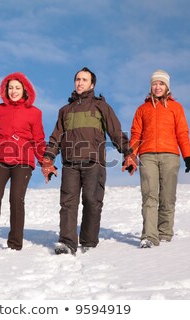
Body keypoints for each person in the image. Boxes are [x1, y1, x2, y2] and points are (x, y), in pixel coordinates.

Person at [41, 67, 135, 255]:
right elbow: (56, 137)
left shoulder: (101, 106)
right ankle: (67, 242)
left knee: (92, 201)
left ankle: (89, 241)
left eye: (84, 80)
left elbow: (115, 132)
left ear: (92, 84)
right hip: (70, 163)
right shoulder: (65, 110)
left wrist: (128, 153)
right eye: (77, 79)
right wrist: (48, 159)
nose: (80, 82)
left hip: (94, 162)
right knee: (68, 203)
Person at [0, 72, 46, 255]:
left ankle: (15, 243)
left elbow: (39, 141)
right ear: (5, 90)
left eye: (17, 88)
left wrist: (46, 164)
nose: (13, 91)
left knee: (16, 199)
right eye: (10, 88)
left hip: (23, 160)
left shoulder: (35, 113)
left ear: (25, 90)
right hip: (0, 158)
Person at [124, 69, 190, 248]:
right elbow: (136, 135)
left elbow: (182, 133)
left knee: (167, 196)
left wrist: (187, 155)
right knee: (149, 195)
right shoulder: (142, 109)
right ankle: (149, 236)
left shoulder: (176, 108)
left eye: (161, 83)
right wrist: (131, 157)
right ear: (151, 86)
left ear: (167, 86)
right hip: (147, 155)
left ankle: (164, 233)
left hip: (170, 155)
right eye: (155, 83)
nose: (157, 87)